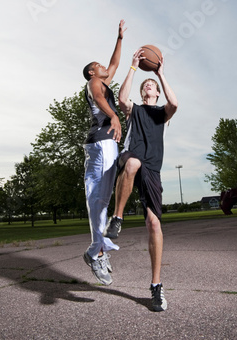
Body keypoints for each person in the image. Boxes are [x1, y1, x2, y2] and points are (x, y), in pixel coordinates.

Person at [104, 47, 178, 310]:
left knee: (154, 225)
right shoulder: (133, 109)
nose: (149, 86)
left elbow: (175, 103)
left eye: (152, 85)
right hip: (131, 155)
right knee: (133, 162)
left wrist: (160, 73)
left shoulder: (162, 113)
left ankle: (156, 286)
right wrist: (134, 68)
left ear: (157, 92)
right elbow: (122, 97)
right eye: (146, 84)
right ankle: (118, 218)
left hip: (153, 169)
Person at [82, 19, 126, 285]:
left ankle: (95, 250)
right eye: (98, 66)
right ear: (91, 73)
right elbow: (100, 100)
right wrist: (115, 116)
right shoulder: (93, 85)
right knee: (98, 198)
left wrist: (119, 38)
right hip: (101, 140)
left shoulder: (104, 80)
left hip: (107, 142)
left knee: (103, 198)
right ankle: (97, 251)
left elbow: (115, 64)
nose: (103, 68)